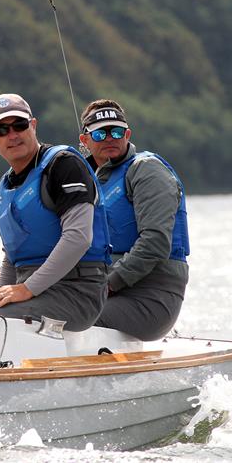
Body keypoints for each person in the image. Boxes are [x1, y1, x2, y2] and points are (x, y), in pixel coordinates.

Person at [0, 93, 111, 332]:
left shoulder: (63, 165)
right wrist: (0, 294)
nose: (13, 135)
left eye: (19, 125)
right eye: (2, 130)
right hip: (35, 288)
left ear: (33, 125)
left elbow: (79, 238)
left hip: (77, 291)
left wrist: (27, 289)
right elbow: (12, 256)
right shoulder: (4, 186)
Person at [79, 99, 190, 340]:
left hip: (150, 297)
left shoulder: (147, 170)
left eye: (116, 131)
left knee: (67, 315)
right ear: (84, 140)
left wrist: (107, 285)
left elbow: (155, 242)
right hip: (101, 290)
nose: (110, 138)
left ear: (127, 134)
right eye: (100, 133)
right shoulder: (84, 180)